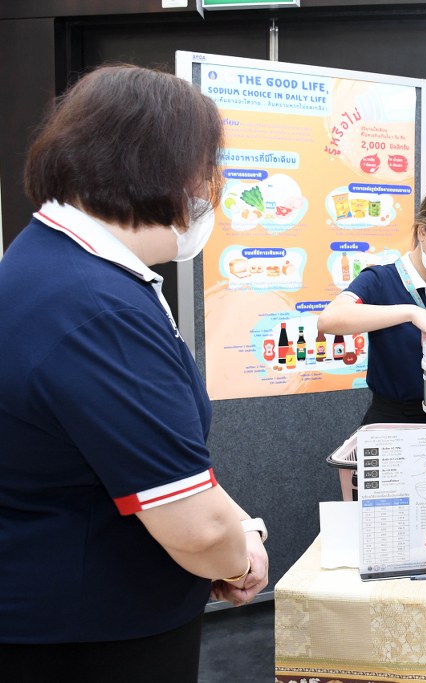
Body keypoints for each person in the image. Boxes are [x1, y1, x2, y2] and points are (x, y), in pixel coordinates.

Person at [0, 65, 269, 682]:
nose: (210, 190)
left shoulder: (52, 262)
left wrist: (230, 530)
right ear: (160, 168)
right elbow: (198, 531)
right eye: (206, 169)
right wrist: (236, 557)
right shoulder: (97, 309)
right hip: (90, 635)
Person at [318, 181, 426, 425]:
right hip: (389, 421)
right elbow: (328, 320)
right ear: (423, 232)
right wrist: (411, 313)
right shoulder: (381, 280)